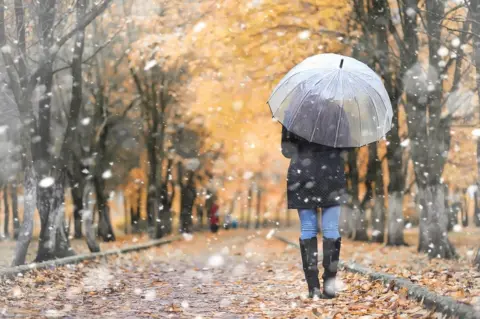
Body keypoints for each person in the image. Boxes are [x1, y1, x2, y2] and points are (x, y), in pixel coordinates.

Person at [281, 107, 350, 300]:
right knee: (331, 230)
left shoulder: (293, 112)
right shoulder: (338, 111)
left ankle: (313, 288)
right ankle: (329, 286)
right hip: (331, 175)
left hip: (302, 175)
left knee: (308, 229)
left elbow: (286, 151)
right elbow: (347, 147)